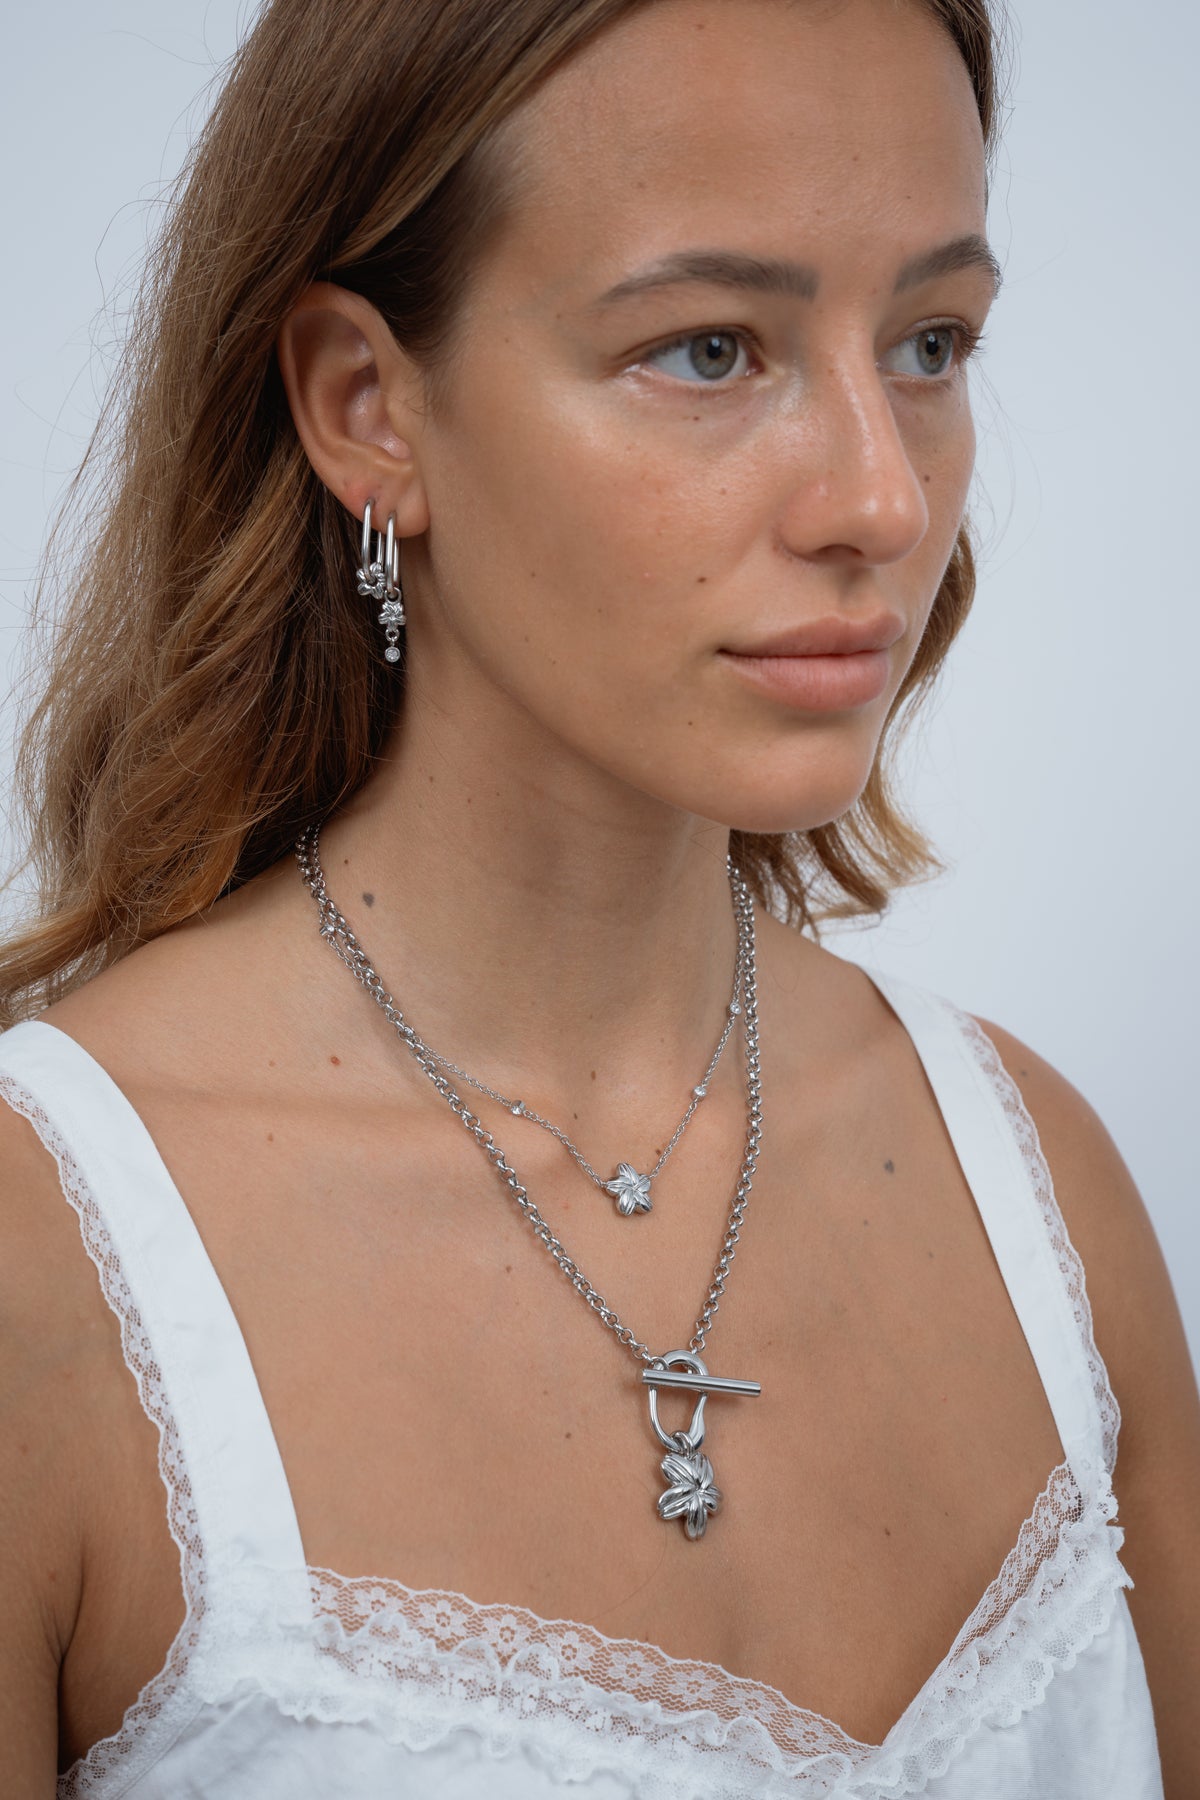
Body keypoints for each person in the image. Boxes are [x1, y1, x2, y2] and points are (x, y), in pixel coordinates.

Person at [0, 0, 1196, 1792]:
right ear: (366, 407)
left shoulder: (1044, 1194)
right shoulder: (41, 1275)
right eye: (711, 350)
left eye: (931, 342)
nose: (882, 497)